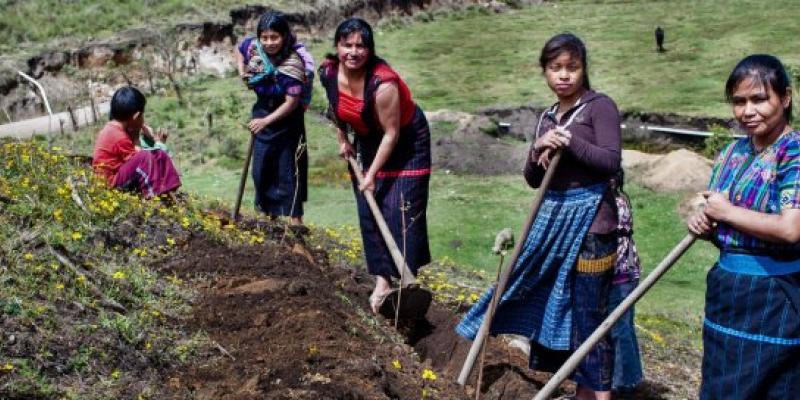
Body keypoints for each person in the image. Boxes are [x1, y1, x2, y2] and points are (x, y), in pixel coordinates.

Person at [457, 33, 621, 400]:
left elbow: (610, 161)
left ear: (583, 69)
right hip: (552, 222)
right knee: (545, 298)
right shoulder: (548, 116)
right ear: (545, 71)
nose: (564, 75)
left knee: (588, 314)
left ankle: (596, 395)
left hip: (593, 225)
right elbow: (533, 180)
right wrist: (538, 150)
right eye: (555, 68)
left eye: (572, 68)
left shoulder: (599, 107)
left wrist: (570, 143)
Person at [687, 54, 800, 399]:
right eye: (739, 101)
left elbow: (790, 229)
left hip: (773, 298)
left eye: (759, 99)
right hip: (727, 295)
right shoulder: (732, 153)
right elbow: (723, 221)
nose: (748, 111)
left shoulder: (793, 153)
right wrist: (704, 221)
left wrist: (727, 211)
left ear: (785, 97)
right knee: (721, 387)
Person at [318, 18, 432, 314]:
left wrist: (370, 174)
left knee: (401, 208)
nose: (353, 52)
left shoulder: (384, 84)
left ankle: (408, 280)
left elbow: (392, 134)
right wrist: (343, 138)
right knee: (370, 208)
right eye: (347, 45)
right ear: (337, 46)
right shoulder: (328, 72)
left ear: (370, 50)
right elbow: (335, 108)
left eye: (360, 46)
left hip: (406, 143)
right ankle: (383, 280)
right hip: (369, 139)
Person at [235, 11, 309, 226]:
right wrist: (242, 72)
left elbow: (291, 102)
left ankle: (296, 222)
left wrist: (266, 121)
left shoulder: (292, 64)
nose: (269, 43)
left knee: (288, 169)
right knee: (261, 169)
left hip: (287, 120)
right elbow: (239, 50)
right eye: (264, 37)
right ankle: (268, 217)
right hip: (261, 111)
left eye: (274, 37)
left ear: (284, 36)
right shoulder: (253, 48)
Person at [92, 86, 180, 198]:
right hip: (110, 183)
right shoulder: (118, 136)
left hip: (119, 175)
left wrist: (151, 141)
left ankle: (170, 190)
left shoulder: (116, 129)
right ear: (136, 116)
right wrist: (136, 137)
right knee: (144, 157)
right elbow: (140, 162)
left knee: (159, 154)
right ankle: (154, 197)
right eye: (142, 116)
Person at [610, 170, 644, 397]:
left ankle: (624, 384)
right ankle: (631, 379)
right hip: (623, 274)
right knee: (624, 328)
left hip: (621, 274)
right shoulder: (616, 199)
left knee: (619, 330)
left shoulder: (616, 204)